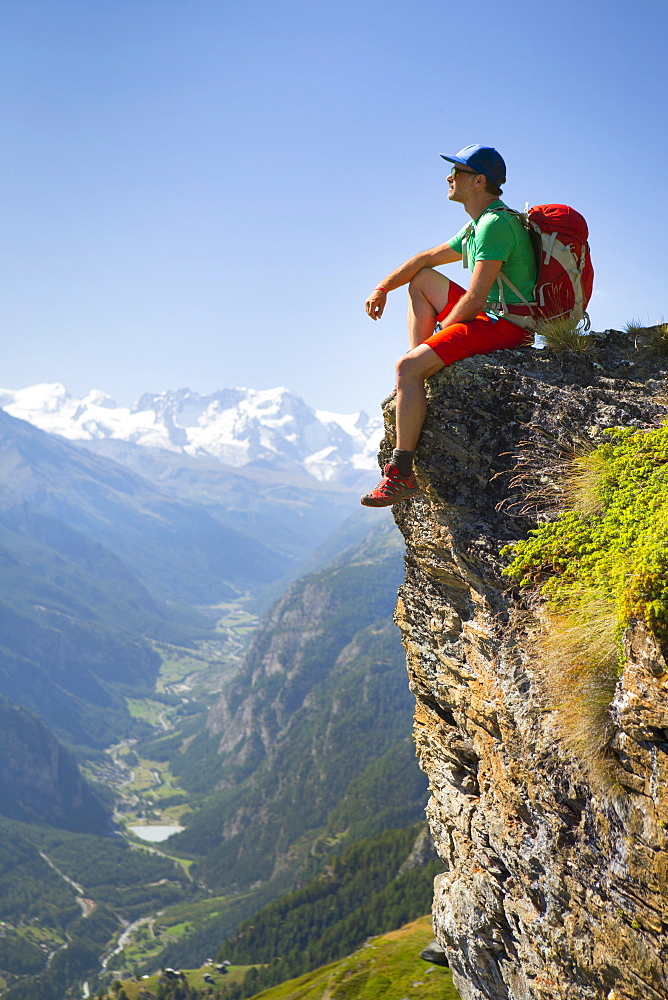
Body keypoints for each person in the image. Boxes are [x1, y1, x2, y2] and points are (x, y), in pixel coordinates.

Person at [360, 144, 537, 507]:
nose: (449, 176)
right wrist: (382, 288)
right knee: (423, 278)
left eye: (457, 171)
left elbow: (474, 300)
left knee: (407, 369)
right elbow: (424, 259)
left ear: (479, 181)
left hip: (508, 327)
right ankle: (414, 374)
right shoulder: (477, 226)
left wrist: (440, 338)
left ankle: (401, 474)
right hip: (493, 317)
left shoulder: (495, 226)